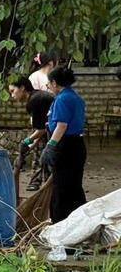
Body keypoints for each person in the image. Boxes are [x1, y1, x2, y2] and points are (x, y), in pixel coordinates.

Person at [42, 66, 87, 223]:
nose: (48, 87)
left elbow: (62, 125)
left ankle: (62, 225)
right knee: (74, 187)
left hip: (66, 147)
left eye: (48, 83)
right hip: (76, 145)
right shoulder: (74, 97)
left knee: (62, 190)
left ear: (54, 83)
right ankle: (80, 223)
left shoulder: (63, 99)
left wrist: (51, 146)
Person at [8, 76, 55, 191]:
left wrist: (27, 141)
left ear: (22, 88)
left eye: (13, 91)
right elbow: (41, 131)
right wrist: (29, 145)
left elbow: (41, 130)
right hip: (53, 131)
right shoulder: (37, 96)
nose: (12, 96)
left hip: (57, 133)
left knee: (48, 159)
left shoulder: (35, 101)